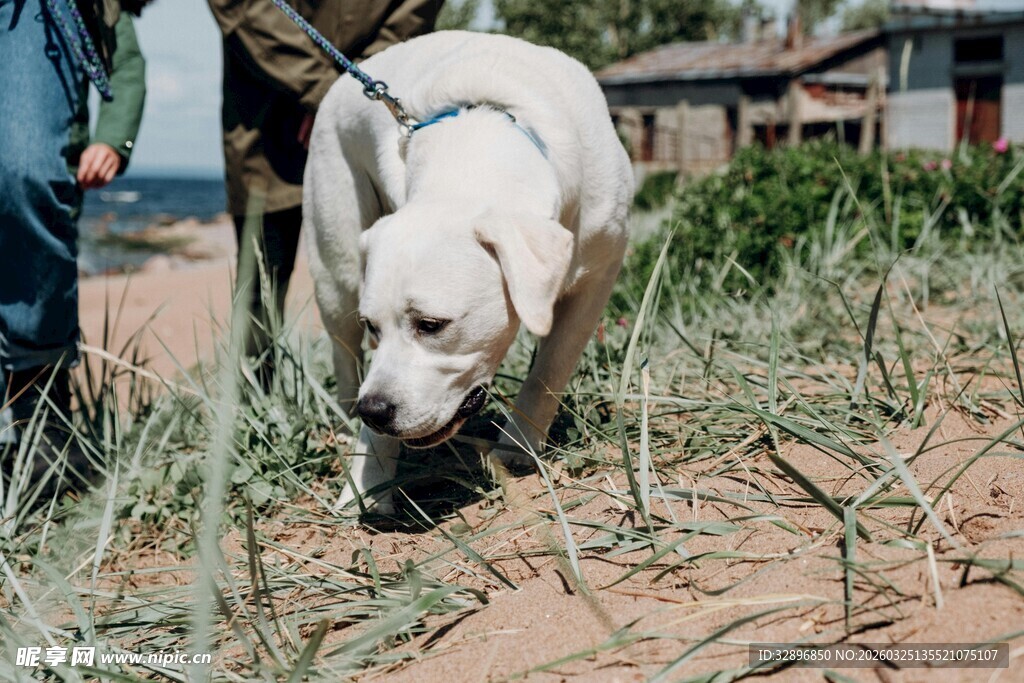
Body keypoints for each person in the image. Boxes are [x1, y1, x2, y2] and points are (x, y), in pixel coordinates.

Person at [206, 0, 444, 385]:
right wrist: (325, 94)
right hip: (265, 117)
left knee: (389, 269)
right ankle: (253, 411)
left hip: (368, 120)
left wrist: (341, 99)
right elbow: (243, 9)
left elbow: (412, 12)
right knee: (263, 279)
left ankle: (396, 397)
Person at [0, 0, 147, 490]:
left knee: (24, 179)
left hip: (38, 19)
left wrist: (112, 139)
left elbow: (125, 62)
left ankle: (39, 408)